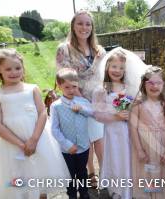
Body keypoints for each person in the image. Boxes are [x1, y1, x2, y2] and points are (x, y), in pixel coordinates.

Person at [0, 49, 69, 199]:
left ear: (23, 68)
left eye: (17, 68)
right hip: (10, 144)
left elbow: (43, 113)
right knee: (18, 178)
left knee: (40, 173)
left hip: (37, 138)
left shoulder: (32, 89)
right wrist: (21, 144)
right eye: (8, 69)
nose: (14, 72)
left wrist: (34, 140)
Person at [56, 9, 106, 187]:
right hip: (76, 101)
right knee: (85, 139)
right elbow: (63, 77)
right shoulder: (64, 49)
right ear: (73, 26)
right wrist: (83, 101)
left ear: (92, 27)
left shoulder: (98, 49)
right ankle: (91, 173)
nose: (84, 27)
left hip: (98, 101)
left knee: (99, 138)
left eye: (88, 24)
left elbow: (103, 75)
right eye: (80, 23)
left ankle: (105, 174)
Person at [94, 48, 148, 199]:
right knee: (115, 159)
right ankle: (116, 190)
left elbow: (136, 108)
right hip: (112, 132)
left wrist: (131, 111)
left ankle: (128, 190)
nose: (117, 70)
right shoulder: (102, 89)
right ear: (107, 67)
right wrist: (115, 117)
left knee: (127, 160)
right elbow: (97, 114)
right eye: (114, 66)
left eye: (121, 68)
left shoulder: (128, 88)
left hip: (128, 131)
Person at [50, 68, 94, 199]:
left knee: (82, 171)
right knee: (69, 173)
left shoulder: (83, 102)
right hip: (67, 149)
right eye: (66, 87)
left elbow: (93, 114)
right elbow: (54, 129)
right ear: (59, 86)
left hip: (83, 146)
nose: (70, 90)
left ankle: (84, 192)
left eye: (74, 86)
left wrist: (82, 110)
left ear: (78, 84)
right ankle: (72, 194)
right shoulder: (56, 106)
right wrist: (67, 145)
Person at [129, 66, 165, 199]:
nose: (154, 86)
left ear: (163, 85)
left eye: (158, 83)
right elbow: (133, 128)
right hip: (144, 147)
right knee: (146, 173)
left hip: (162, 146)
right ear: (144, 84)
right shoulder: (138, 105)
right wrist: (139, 150)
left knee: (161, 174)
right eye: (150, 83)